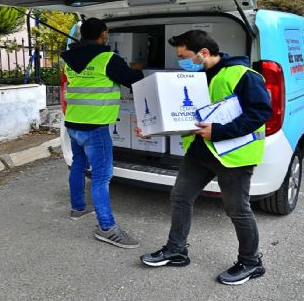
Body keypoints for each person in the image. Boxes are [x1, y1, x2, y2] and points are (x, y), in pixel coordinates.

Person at [138, 30, 273, 285]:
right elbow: (183, 115)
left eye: (184, 56)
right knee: (180, 197)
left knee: (237, 209)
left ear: (203, 53)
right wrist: (150, 126)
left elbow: (260, 112)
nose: (180, 61)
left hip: (234, 156)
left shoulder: (244, 75)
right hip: (200, 151)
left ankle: (251, 262)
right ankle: (176, 250)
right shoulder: (195, 77)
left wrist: (220, 131)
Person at [61, 18, 144, 249]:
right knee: (101, 177)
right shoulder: (108, 59)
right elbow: (132, 80)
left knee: (78, 164)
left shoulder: (68, 58)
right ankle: (107, 228)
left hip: (73, 123)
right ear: (104, 34)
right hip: (95, 128)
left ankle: (78, 208)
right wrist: (137, 69)